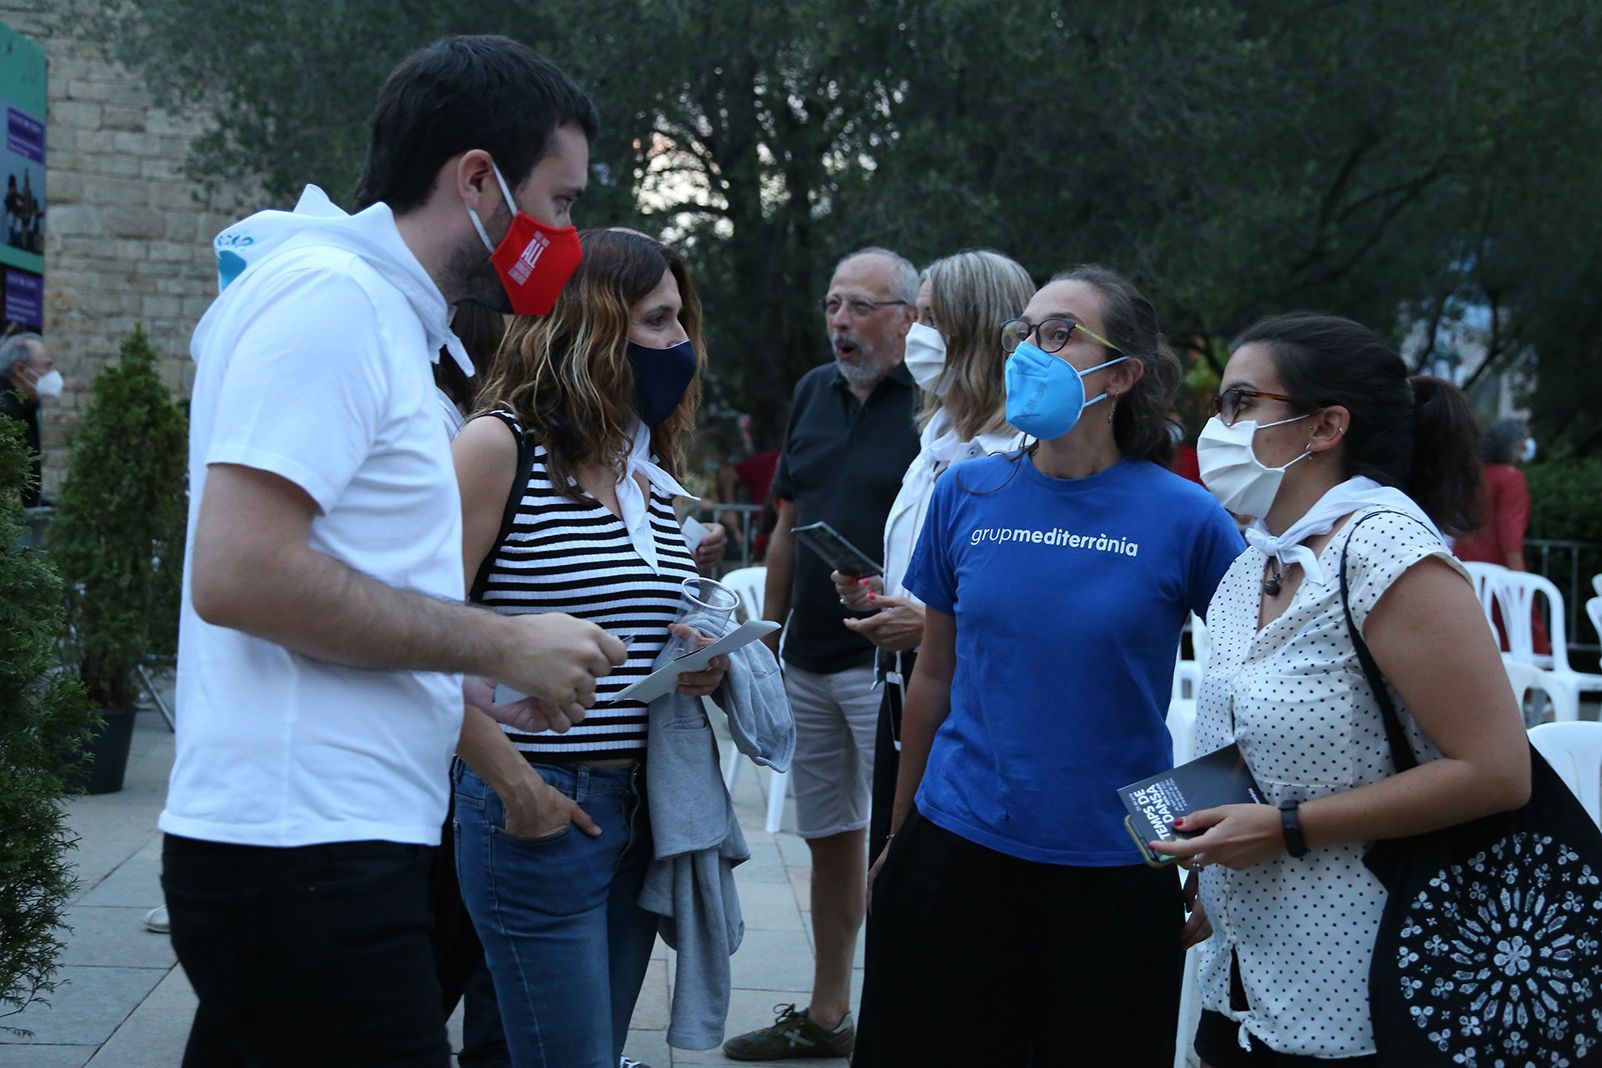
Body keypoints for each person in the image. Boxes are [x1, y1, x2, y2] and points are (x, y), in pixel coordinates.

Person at [159, 37, 626, 1068]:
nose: (565, 237)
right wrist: (501, 641)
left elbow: (341, 578)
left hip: (314, 848)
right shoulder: (332, 301)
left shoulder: (377, 316)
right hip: (306, 853)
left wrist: (461, 676)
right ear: (478, 179)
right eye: (558, 202)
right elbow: (242, 573)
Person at [860, 265, 1244, 1066]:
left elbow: (1256, 688)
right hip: (954, 847)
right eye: (1024, 332)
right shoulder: (968, 492)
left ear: (1123, 375)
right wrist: (899, 835)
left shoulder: (1189, 517)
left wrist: (1200, 845)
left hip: (1114, 869)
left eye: (1060, 334)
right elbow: (934, 675)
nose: (1030, 350)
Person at [1155, 312, 1529, 1066]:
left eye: (1240, 403)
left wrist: (1286, 827)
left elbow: (1497, 771)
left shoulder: (1387, 548)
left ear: (1326, 426)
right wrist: (1205, 847)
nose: (1216, 427)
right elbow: (1256, 747)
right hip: (1244, 975)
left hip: (1366, 987)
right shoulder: (1255, 562)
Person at [451, 228, 728, 1068]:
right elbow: (413, 636)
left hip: (640, 808)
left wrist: (695, 665)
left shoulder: (644, 469)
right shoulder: (496, 447)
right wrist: (516, 786)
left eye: (681, 321)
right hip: (541, 805)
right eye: (657, 320)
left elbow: (639, 626)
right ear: (590, 326)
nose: (679, 344)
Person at [723, 248, 922, 1061]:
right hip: (807, 656)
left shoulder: (933, 404)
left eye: (861, 307)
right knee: (831, 838)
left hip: (891, 664)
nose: (841, 322)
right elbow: (785, 523)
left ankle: (907, 1021)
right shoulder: (813, 390)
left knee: (903, 847)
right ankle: (829, 1013)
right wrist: (768, 636)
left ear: (909, 319)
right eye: (833, 304)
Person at [1454, 415, 1549, 654]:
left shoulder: (1475, 476)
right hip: (1501, 571)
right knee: (1523, 640)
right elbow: (1510, 532)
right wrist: (1520, 578)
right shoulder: (1511, 478)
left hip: (1466, 566)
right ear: (1515, 445)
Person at [0, 331, 59, 507]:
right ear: (21, 370)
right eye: (47, 366)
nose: (53, 374)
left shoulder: (25, 406)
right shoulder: (5, 412)